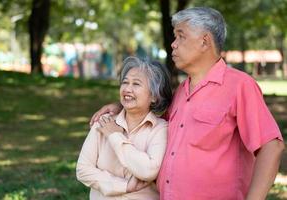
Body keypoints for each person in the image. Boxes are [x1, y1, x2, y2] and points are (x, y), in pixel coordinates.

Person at [89, 7, 285, 200]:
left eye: (181, 36)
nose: (173, 44)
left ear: (204, 41)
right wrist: (121, 106)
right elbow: (153, 122)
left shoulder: (239, 85)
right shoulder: (182, 91)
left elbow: (271, 147)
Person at [76, 56, 172, 199]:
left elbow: (148, 170)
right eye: (125, 82)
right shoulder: (103, 122)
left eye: (136, 84)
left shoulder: (161, 129)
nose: (127, 89)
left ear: (154, 96)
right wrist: (124, 186)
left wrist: (115, 136)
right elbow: (83, 170)